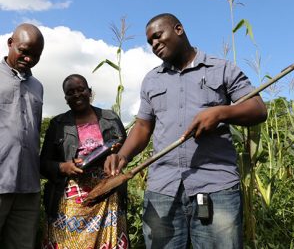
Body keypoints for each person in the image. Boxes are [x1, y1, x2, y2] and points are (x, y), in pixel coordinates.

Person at [104, 13, 268, 249]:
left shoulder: (221, 69)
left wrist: (221, 113)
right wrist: (123, 156)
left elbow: (258, 109)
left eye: (158, 36)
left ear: (178, 29)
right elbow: (142, 126)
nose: (154, 45)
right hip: (163, 189)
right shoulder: (151, 80)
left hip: (216, 185)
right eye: (150, 42)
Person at [40, 74, 129, 249]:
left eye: (81, 90)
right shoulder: (58, 124)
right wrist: (63, 167)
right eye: (70, 92)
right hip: (71, 200)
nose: (76, 95)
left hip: (107, 194)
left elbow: (126, 150)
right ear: (65, 98)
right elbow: (42, 164)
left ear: (89, 92)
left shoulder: (110, 118)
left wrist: (116, 156)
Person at [0, 23, 44, 249]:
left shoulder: (38, 86)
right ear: (10, 43)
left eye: (35, 55)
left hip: (28, 185)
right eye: (24, 51)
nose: (28, 59)